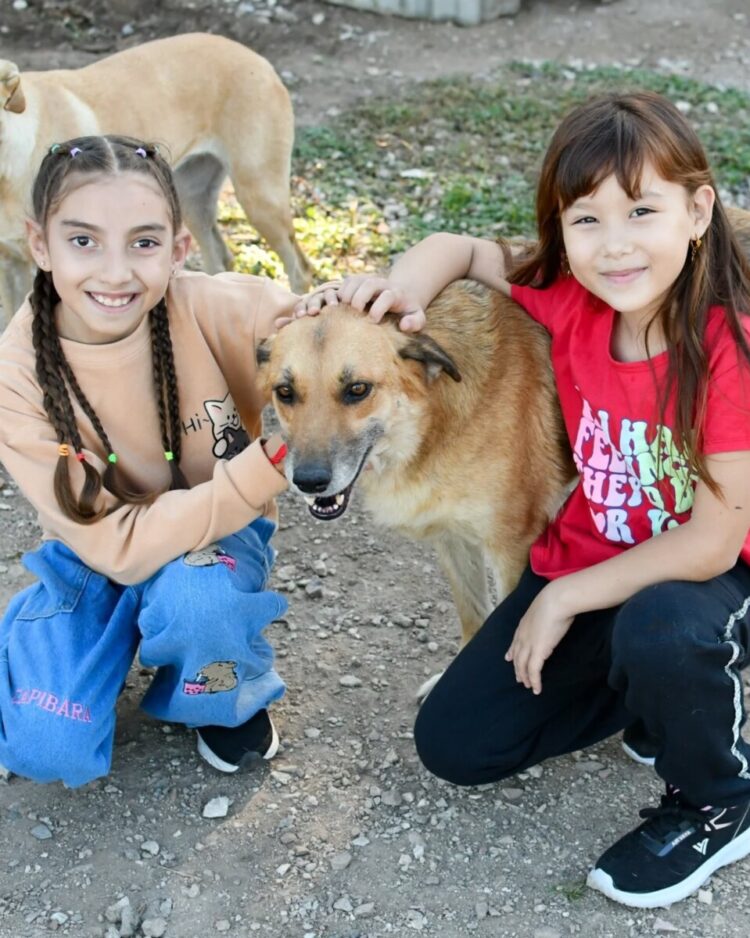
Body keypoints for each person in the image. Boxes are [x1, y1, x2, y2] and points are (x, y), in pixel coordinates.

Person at [293, 91, 750, 908]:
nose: (615, 247)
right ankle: (647, 691)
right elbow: (458, 245)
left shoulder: (727, 343)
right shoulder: (570, 296)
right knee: (458, 744)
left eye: (641, 211)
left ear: (697, 208)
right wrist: (398, 300)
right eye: (586, 221)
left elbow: (713, 543)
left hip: (713, 575)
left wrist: (562, 599)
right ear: (560, 230)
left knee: (665, 627)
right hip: (601, 559)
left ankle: (718, 800)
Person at [0, 135, 297, 788]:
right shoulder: (16, 377)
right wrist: (264, 465)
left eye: (143, 242)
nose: (115, 272)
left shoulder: (214, 307)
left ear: (180, 248)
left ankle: (216, 693)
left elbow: (329, 321)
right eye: (83, 241)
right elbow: (118, 546)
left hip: (214, 540)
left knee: (202, 604)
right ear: (39, 244)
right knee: (49, 748)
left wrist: (380, 291)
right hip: (94, 555)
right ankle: (40, 638)